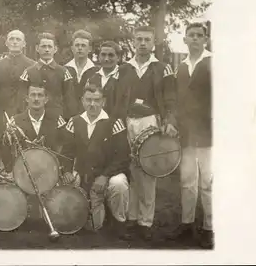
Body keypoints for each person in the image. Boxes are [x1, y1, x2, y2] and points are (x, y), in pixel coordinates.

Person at [114, 25, 178, 241]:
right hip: (128, 122)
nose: (142, 43)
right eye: (139, 39)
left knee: (148, 171)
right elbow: (116, 98)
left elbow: (170, 98)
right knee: (132, 170)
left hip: (150, 122)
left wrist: (168, 121)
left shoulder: (162, 68)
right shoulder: (124, 68)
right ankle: (132, 218)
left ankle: (145, 222)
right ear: (133, 41)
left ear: (153, 43)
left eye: (147, 40)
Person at [61, 83, 131, 240]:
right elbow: (66, 153)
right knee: (68, 183)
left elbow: (123, 156)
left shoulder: (114, 122)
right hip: (84, 173)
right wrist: (66, 171)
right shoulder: (74, 121)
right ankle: (79, 218)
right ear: (82, 101)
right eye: (88, 100)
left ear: (103, 101)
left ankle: (119, 222)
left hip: (108, 174)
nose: (92, 104)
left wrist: (105, 176)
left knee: (119, 184)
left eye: (96, 100)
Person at [170, 22, 213, 248]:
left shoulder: (212, 63)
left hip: (208, 134)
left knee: (208, 181)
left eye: (199, 35)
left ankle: (209, 227)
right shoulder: (182, 66)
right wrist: (174, 122)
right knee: (187, 180)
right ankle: (187, 224)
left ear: (205, 39)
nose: (195, 39)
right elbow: (178, 101)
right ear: (185, 40)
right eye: (191, 35)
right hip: (186, 134)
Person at [0, 83, 67, 181]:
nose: (36, 99)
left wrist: (61, 169)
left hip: (49, 172)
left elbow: (65, 147)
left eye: (40, 95)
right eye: (33, 95)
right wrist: (10, 170)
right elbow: (5, 148)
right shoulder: (15, 121)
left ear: (46, 99)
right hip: (23, 172)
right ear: (27, 98)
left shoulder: (57, 121)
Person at [0, 29, 36, 134]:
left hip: (25, 115)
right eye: (11, 39)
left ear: (24, 44)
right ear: (6, 43)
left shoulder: (33, 65)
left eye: (18, 39)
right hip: (2, 114)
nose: (14, 42)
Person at [19, 32, 77, 120]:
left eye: (50, 47)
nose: (47, 50)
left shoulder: (64, 72)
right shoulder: (28, 72)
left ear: (55, 49)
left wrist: (65, 119)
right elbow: (22, 100)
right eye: (43, 46)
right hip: (34, 119)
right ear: (37, 48)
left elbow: (69, 100)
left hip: (57, 120)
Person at [64, 30, 98, 115]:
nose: (80, 48)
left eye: (83, 45)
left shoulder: (97, 71)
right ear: (72, 48)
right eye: (77, 45)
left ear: (89, 49)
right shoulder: (63, 70)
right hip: (67, 118)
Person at [85, 41, 122, 116]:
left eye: (111, 55)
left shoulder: (124, 76)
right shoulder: (92, 78)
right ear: (99, 57)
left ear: (118, 58)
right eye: (103, 55)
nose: (106, 59)